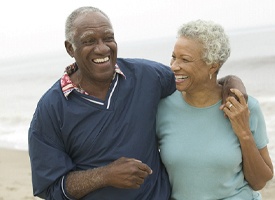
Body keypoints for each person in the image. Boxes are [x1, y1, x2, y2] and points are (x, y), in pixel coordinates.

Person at [28, 7, 247, 200]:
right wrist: (105, 175)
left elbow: (195, 80)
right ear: (70, 48)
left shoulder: (147, 76)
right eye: (89, 41)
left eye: (108, 38)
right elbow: (51, 189)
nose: (102, 48)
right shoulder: (51, 109)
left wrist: (231, 82)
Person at [156, 20, 274, 200]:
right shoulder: (162, 107)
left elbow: (259, 182)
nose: (174, 66)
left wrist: (244, 133)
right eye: (174, 57)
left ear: (213, 65)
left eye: (185, 59)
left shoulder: (244, 107)